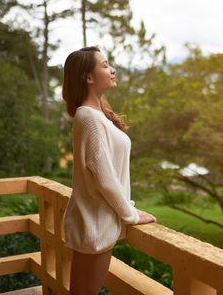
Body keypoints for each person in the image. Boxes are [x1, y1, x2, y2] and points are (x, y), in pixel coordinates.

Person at [61, 46, 157, 295]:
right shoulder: (89, 118)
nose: (112, 69)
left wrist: (128, 208)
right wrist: (132, 215)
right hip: (97, 226)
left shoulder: (94, 116)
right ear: (88, 77)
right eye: (104, 65)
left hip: (96, 223)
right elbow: (105, 179)